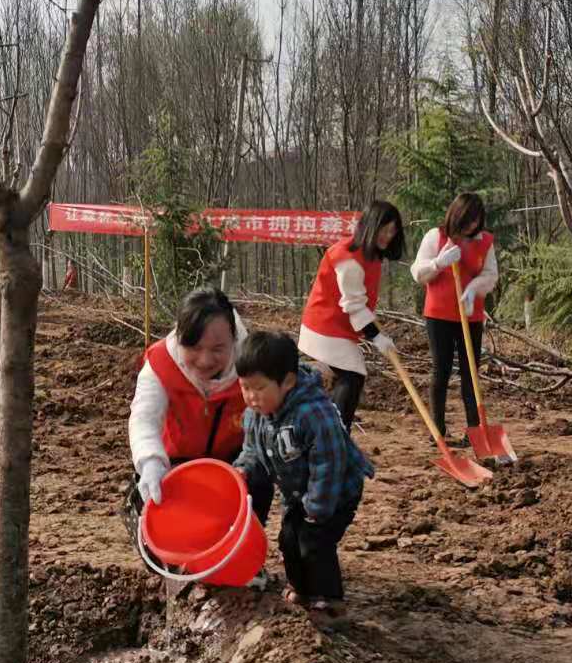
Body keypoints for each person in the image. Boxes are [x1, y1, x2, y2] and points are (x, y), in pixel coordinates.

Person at [235, 331, 374, 615]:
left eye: (258, 388)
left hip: (335, 492)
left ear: (287, 381)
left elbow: (329, 463)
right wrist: (242, 469)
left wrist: (317, 509)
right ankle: (301, 588)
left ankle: (329, 600)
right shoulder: (255, 414)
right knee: (288, 538)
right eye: (244, 387)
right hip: (298, 491)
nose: (251, 397)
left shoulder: (313, 413)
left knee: (314, 542)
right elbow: (253, 451)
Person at [128, 287, 264, 522]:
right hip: (177, 463)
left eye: (218, 349)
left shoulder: (252, 362)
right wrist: (150, 462)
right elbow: (144, 417)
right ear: (179, 337)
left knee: (258, 483)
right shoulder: (160, 364)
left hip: (235, 464)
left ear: (233, 339)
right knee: (150, 501)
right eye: (194, 348)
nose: (205, 360)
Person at [298, 200, 405, 429]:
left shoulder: (371, 254)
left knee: (351, 375)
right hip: (324, 326)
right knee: (353, 374)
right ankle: (337, 433)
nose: (388, 236)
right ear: (370, 226)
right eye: (384, 230)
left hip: (338, 328)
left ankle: (333, 429)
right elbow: (354, 305)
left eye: (392, 231)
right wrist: (377, 337)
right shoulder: (348, 257)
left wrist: (376, 334)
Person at [410, 193, 500, 448]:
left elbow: (491, 274)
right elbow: (418, 272)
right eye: (469, 220)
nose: (473, 227)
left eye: (477, 221)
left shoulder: (485, 241)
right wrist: (438, 263)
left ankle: (474, 430)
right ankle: (437, 430)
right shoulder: (435, 237)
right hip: (438, 315)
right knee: (441, 370)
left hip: (470, 315)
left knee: (471, 373)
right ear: (457, 216)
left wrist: (474, 288)